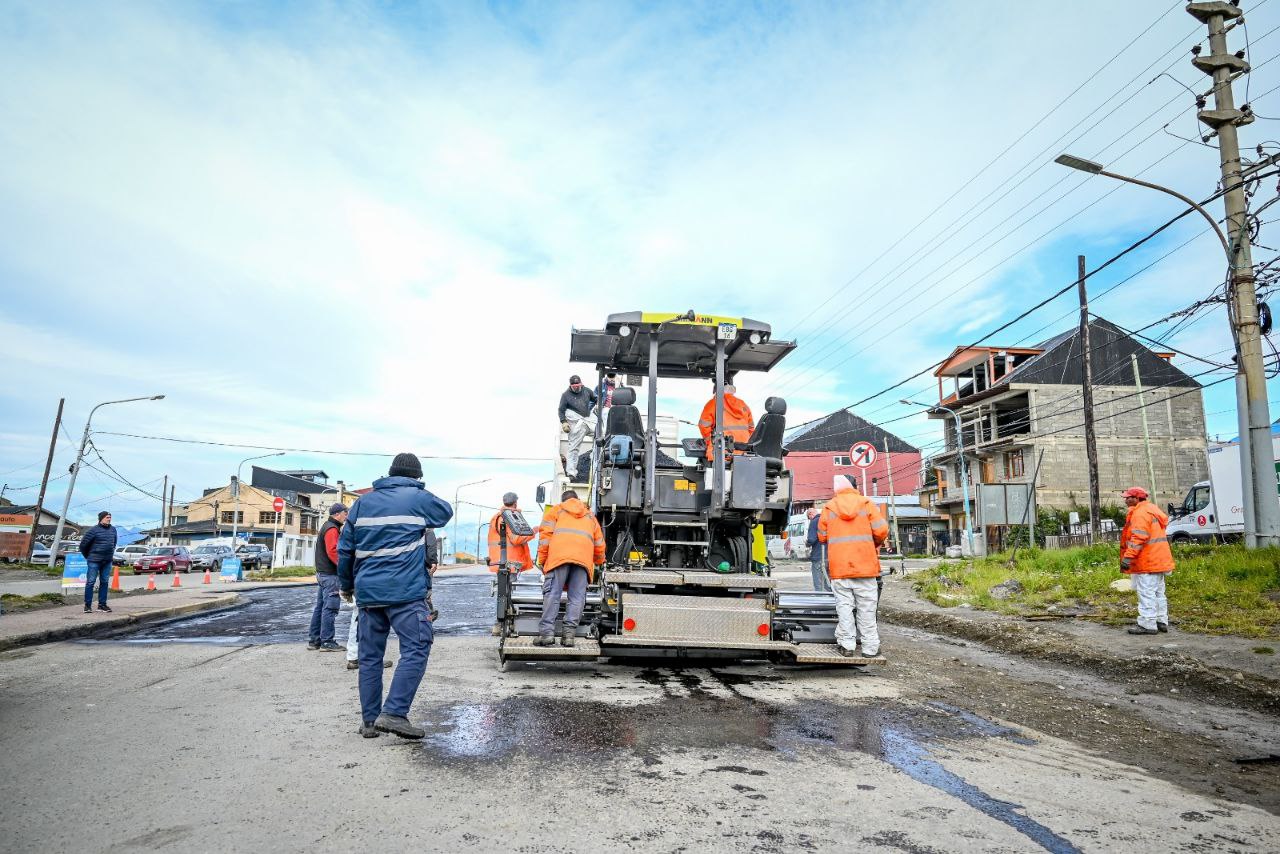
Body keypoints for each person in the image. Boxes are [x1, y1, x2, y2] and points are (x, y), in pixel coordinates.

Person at [338, 453, 453, 739]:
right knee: (417, 647)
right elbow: (445, 512)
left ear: (389, 473)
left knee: (370, 657)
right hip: (406, 593)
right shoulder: (417, 497)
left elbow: (345, 549)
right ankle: (394, 712)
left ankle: (369, 721)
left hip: (368, 594)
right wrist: (418, 490)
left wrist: (347, 585)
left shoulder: (362, 503)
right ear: (417, 476)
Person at [818, 475, 889, 658]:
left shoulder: (829, 507)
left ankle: (847, 646)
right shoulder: (866, 504)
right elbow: (882, 530)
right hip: (865, 567)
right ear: (855, 486)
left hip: (840, 568)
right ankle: (870, 648)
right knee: (867, 609)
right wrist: (873, 543)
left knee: (844, 608)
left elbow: (822, 536)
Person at [535, 490, 605, 647]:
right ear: (577, 499)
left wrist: (543, 561)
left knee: (553, 594)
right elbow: (599, 544)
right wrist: (599, 561)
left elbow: (545, 538)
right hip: (583, 561)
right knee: (577, 598)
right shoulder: (590, 516)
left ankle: (546, 634)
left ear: (563, 500)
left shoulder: (556, 510)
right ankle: (568, 636)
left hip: (558, 559)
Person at [1119, 486, 1175, 635]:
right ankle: (1161, 621)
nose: (1125, 500)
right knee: (1158, 593)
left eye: (1128, 497)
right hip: (1159, 560)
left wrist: (1128, 557)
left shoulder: (1140, 513)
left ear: (1137, 498)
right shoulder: (1152, 509)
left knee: (1146, 592)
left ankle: (1148, 624)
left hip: (1147, 560)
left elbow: (1139, 537)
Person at [488, 492, 536, 634]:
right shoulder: (508, 517)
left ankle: (502, 623)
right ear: (515, 503)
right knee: (506, 593)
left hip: (502, 560)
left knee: (504, 591)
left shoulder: (498, 516)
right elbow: (516, 539)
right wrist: (533, 532)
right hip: (509, 561)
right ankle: (501, 624)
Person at [308, 503, 347, 651]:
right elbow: (333, 551)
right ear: (337, 514)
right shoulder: (332, 528)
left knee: (320, 607)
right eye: (345, 513)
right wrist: (344, 567)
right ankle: (327, 641)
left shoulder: (327, 526)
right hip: (330, 575)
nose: (346, 517)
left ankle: (314, 640)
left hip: (323, 574)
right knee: (330, 608)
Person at [697, 383, 754, 459]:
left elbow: (703, 426)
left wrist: (709, 442)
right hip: (744, 453)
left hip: (723, 453)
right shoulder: (743, 404)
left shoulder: (713, 403)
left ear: (717, 391)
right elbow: (751, 428)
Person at [558, 375, 598, 480]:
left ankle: (597, 464)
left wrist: (596, 405)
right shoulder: (566, 395)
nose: (577, 387)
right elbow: (561, 410)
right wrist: (564, 422)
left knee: (601, 436)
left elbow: (596, 399)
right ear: (571, 386)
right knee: (573, 448)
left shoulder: (587, 391)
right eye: (574, 386)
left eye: (578, 385)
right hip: (576, 424)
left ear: (581, 384)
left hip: (588, 420)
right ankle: (571, 472)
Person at [79, 510, 117, 614]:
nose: (109, 519)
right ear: (101, 519)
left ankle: (102, 605)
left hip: (107, 561)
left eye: (110, 517)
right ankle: (87, 606)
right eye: (107, 517)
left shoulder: (113, 530)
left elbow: (114, 543)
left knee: (104, 582)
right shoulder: (93, 530)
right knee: (90, 582)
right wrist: (89, 556)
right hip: (94, 561)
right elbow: (83, 546)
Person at [805, 507, 830, 592]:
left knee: (818, 583)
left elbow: (811, 539)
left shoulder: (814, 521)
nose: (810, 520)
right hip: (829, 556)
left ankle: (819, 598)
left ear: (810, 515)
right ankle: (833, 597)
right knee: (828, 582)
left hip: (818, 556)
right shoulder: (827, 520)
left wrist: (807, 543)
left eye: (809, 518)